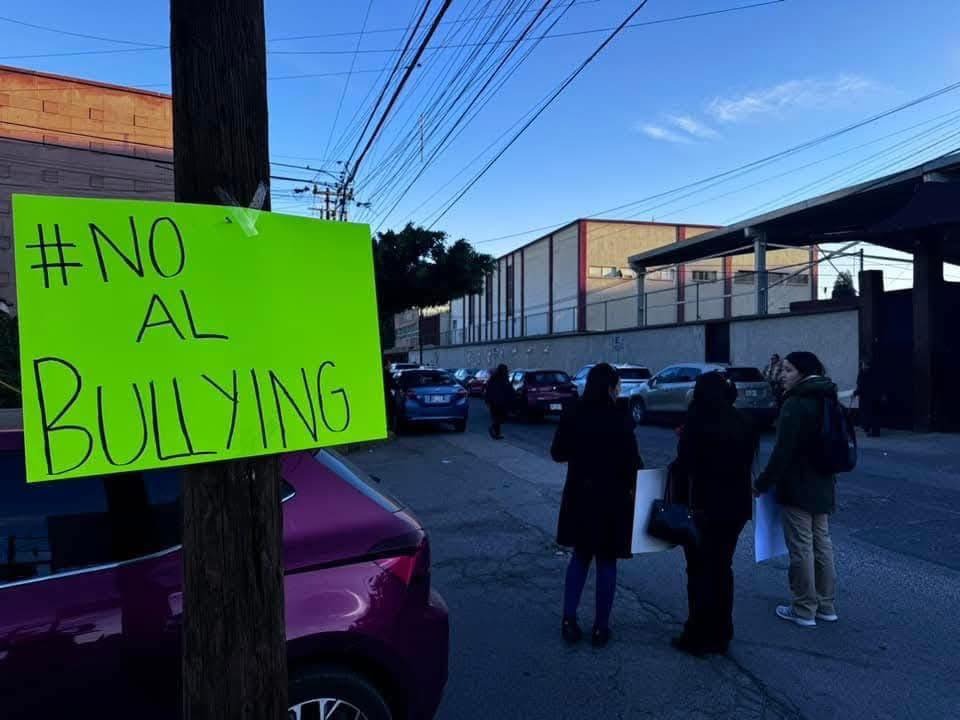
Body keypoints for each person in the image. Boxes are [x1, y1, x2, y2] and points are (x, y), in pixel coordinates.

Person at [551, 363, 642, 648]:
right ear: (611, 387)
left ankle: (569, 620)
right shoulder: (621, 417)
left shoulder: (574, 412)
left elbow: (558, 453)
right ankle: (601, 628)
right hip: (612, 500)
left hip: (580, 496)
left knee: (580, 557)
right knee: (606, 561)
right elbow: (633, 464)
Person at [669, 372, 757, 656]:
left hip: (703, 507)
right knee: (722, 569)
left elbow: (685, 466)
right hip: (736, 508)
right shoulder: (743, 421)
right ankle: (722, 632)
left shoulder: (696, 422)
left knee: (697, 571)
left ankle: (697, 633)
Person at [754, 351, 839, 628]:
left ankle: (804, 608)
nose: (782, 375)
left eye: (788, 370)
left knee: (801, 546)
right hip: (824, 481)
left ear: (802, 372)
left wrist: (763, 483)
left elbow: (783, 453)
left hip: (798, 484)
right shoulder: (828, 397)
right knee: (821, 543)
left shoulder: (796, 403)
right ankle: (826, 605)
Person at [485, 364, 512, 440]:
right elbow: (509, 389)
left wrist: (487, 400)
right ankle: (495, 431)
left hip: (494, 401)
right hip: (500, 401)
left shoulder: (494, 378)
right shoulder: (503, 379)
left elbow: (488, 389)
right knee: (500, 417)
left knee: (497, 417)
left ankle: (496, 432)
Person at [854, 358, 880, 437]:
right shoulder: (873, 373)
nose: (864, 366)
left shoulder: (863, 374)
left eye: (864, 365)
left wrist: (856, 392)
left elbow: (861, 386)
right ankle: (874, 431)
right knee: (873, 415)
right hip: (872, 397)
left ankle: (869, 430)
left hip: (867, 398)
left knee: (867, 415)